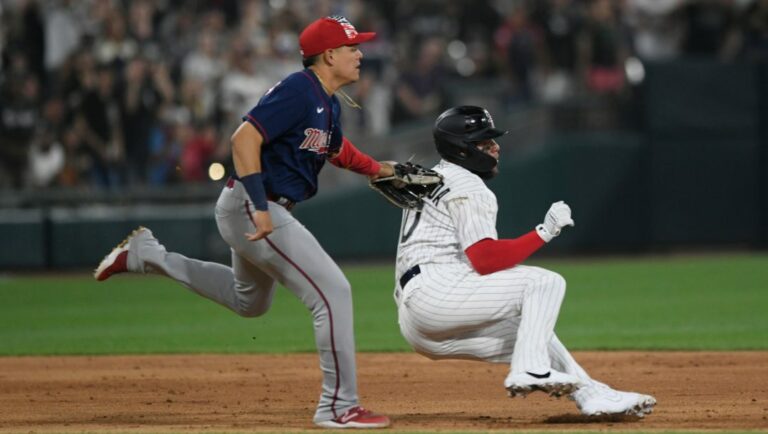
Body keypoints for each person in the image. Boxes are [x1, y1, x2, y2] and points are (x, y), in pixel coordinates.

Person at [94, 16, 392, 429]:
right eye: (352, 47)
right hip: (255, 204)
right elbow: (243, 139)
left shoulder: (327, 102)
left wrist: (378, 169)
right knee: (333, 292)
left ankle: (148, 255)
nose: (360, 53)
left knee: (249, 302)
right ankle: (338, 405)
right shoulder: (298, 90)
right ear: (328, 55)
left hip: (254, 206)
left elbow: (335, 149)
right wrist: (261, 207)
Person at [393, 105, 656, 417]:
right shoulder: (468, 185)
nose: (495, 147)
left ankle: (591, 395)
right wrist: (545, 232)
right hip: (435, 294)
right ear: (462, 150)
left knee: (533, 335)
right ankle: (529, 370)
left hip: (415, 320)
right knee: (544, 282)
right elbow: (485, 259)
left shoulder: (432, 179)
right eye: (484, 143)